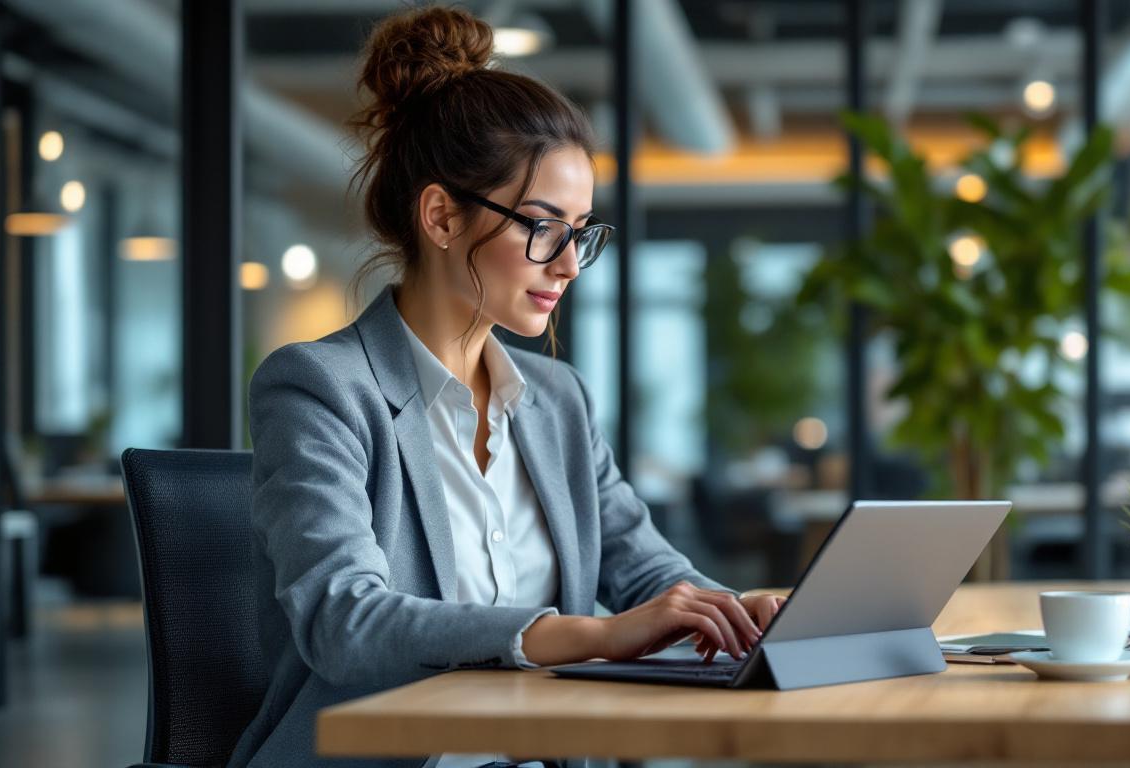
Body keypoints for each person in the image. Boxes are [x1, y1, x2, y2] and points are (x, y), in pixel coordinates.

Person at [227, 7, 783, 768]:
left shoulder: (558, 401)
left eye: (580, 231)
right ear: (440, 217)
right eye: (542, 226)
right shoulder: (321, 389)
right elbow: (343, 622)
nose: (570, 264)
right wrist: (588, 634)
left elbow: (645, 570)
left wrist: (734, 610)